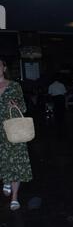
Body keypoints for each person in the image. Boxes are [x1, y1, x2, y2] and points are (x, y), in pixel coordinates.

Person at [0, 58, 33, 211]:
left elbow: (23, 107)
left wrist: (15, 104)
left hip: (14, 129)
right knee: (5, 160)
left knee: (17, 162)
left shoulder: (14, 86)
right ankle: (7, 178)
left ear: (4, 68)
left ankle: (14, 197)